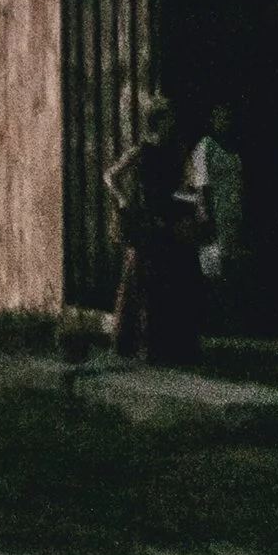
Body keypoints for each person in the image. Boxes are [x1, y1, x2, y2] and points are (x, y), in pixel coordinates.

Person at [104, 96, 204, 364]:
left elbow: (188, 184)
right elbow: (111, 175)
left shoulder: (178, 150)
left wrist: (190, 207)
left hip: (170, 219)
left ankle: (171, 347)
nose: (173, 121)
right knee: (142, 283)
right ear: (158, 121)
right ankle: (140, 345)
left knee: (171, 284)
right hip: (148, 221)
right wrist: (123, 199)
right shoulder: (143, 151)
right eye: (168, 117)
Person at [188, 104, 246, 329]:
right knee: (213, 267)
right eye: (220, 117)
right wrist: (205, 216)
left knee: (231, 266)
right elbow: (201, 185)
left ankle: (230, 318)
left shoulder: (232, 149)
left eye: (228, 117)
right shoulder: (206, 146)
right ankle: (215, 320)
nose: (225, 121)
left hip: (233, 213)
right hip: (216, 212)